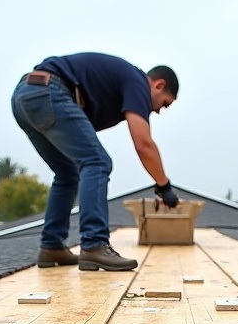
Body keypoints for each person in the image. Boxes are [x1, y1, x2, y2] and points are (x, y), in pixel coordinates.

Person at [11, 52, 181, 272]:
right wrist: (164, 187)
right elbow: (144, 144)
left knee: (67, 173)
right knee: (97, 162)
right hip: (49, 92)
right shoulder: (138, 82)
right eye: (164, 104)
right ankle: (94, 244)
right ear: (159, 85)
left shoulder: (122, 85)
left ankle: (51, 246)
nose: (158, 111)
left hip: (25, 97)